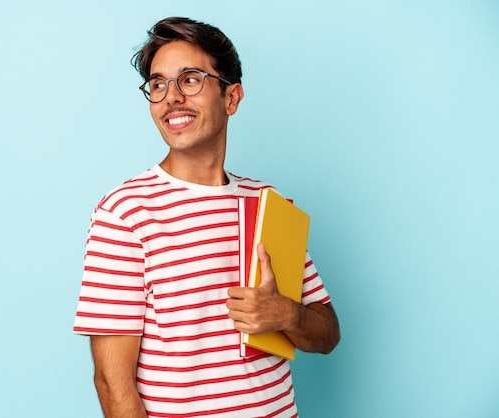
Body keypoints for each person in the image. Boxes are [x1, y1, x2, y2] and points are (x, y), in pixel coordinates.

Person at [73, 16, 340, 418]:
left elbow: (327, 333)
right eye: (158, 84)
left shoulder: (267, 202)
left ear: (231, 98)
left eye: (191, 79)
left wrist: (287, 314)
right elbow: (113, 385)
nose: (171, 97)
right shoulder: (124, 212)